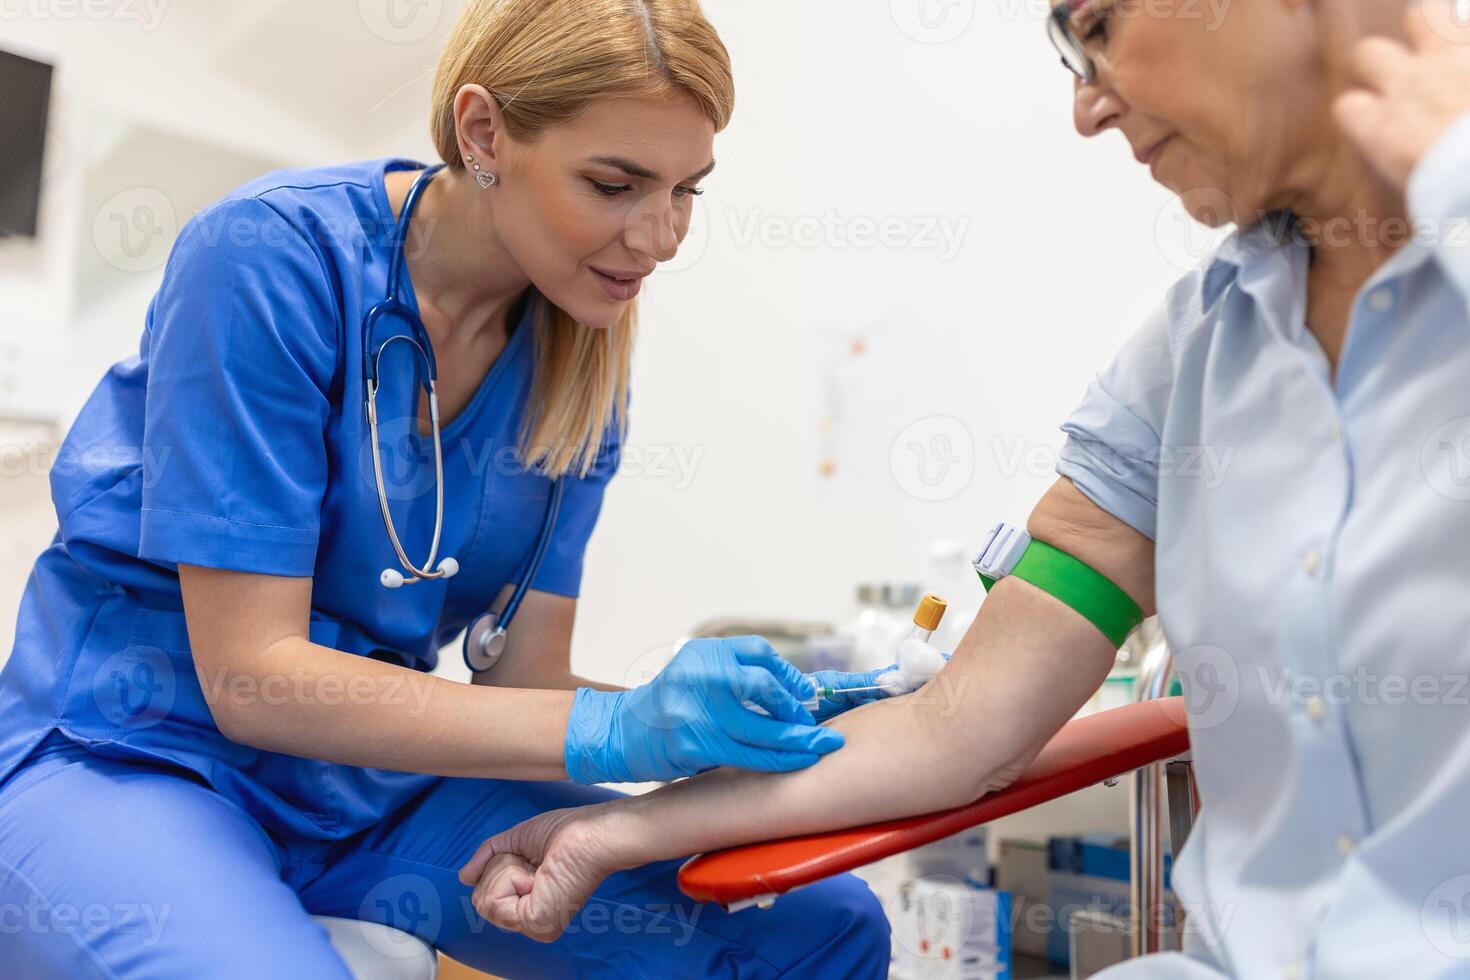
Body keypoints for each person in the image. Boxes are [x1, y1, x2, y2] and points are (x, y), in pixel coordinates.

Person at [460, 1, 1470, 975]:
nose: (1087, 106)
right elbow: (958, 728)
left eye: (1100, 25)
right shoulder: (1194, 361)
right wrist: (611, 827)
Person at [0, 1, 895, 976]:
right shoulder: (269, 258)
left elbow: (529, 684)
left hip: (368, 790)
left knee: (822, 922)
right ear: (483, 134)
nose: (663, 235)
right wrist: (622, 728)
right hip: (134, 757)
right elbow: (252, 675)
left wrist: (706, 728)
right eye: (615, 183)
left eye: (688, 191)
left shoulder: (576, 360)